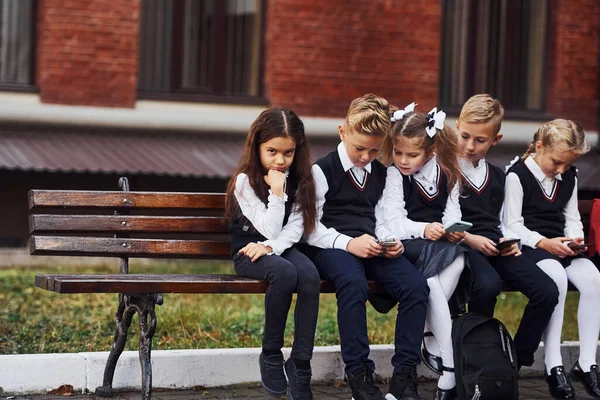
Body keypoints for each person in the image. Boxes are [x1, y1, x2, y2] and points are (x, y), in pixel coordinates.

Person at [304, 94, 429, 400]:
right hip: (331, 246)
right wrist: (348, 243)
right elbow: (310, 227)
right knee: (353, 283)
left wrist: (390, 241)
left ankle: (404, 376)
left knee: (415, 287)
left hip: (371, 245)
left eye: (374, 150)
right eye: (359, 148)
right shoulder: (322, 170)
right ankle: (359, 373)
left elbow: (382, 218)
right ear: (342, 132)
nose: (365, 156)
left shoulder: (384, 173)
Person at [456, 94, 559, 371]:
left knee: (547, 290)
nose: (470, 146)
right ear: (456, 127)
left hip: (495, 246)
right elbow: (443, 219)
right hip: (462, 245)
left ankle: (512, 360)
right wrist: (469, 239)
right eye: (465, 136)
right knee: (487, 284)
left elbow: (503, 222)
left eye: (480, 140)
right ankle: (471, 361)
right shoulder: (446, 169)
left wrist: (509, 241)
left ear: (495, 140)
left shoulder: (499, 175)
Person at [225, 108, 320, 400]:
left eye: (288, 153)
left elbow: (293, 230)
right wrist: (277, 193)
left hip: (278, 247)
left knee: (309, 275)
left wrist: (271, 247)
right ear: (257, 148)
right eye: (272, 151)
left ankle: (301, 362)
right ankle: (271, 353)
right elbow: (267, 226)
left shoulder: (302, 179)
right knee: (284, 272)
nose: (280, 160)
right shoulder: (245, 181)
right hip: (248, 252)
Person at [503, 119, 600, 400]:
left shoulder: (569, 175)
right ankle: (554, 363)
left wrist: (575, 240)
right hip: (532, 248)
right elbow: (511, 225)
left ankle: (586, 362)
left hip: (561, 248)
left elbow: (571, 219)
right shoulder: (517, 176)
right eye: (557, 162)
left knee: (593, 278)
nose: (561, 170)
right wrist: (544, 242)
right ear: (539, 147)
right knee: (555, 278)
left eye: (567, 165)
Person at [376, 103, 466, 400]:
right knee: (429, 280)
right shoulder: (394, 176)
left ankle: (429, 331)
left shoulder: (449, 175)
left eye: (411, 155)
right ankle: (450, 368)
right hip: (410, 244)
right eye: (398, 153)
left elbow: (452, 213)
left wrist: (452, 229)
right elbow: (392, 220)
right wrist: (424, 228)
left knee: (457, 259)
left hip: (439, 244)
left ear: (430, 152)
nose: (402, 160)